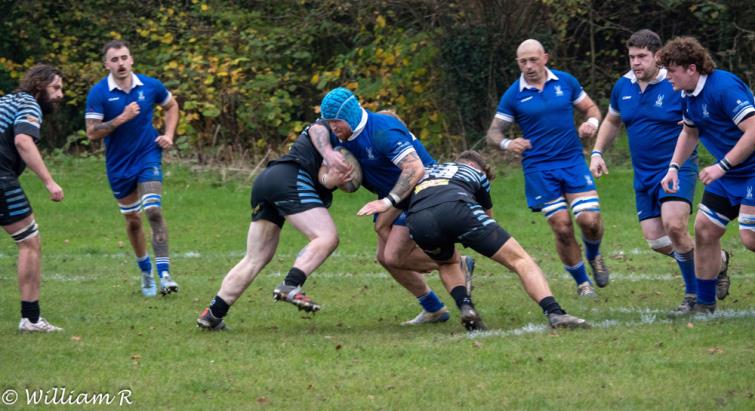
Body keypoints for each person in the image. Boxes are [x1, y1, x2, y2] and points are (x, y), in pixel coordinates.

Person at [590, 30, 730, 314]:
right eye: (631, 57)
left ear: (657, 56)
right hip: (643, 175)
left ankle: (693, 296)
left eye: (642, 56)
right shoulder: (623, 87)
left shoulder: (675, 83)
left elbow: (700, 114)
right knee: (657, 240)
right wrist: (596, 152)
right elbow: (612, 121)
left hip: (677, 169)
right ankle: (719, 260)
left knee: (675, 226)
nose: (636, 63)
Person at [316, 87, 474, 325]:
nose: (333, 127)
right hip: (392, 195)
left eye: (336, 122)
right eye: (330, 122)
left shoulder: (382, 131)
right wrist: (330, 174)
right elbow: (316, 132)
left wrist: (387, 202)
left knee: (394, 255)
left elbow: (415, 169)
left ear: (349, 116)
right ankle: (433, 308)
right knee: (385, 257)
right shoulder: (340, 135)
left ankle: (455, 262)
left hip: (419, 191)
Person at [405, 150, 589, 331]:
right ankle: (555, 312)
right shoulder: (474, 172)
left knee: (447, 263)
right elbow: (487, 217)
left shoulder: (424, 171)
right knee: (520, 259)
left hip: (418, 221)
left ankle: (466, 307)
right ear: (473, 165)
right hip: (458, 208)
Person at [196, 120, 351, 330]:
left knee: (255, 258)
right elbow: (318, 131)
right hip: (290, 179)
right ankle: (290, 284)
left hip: (267, 180)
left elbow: (325, 178)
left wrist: (334, 180)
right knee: (326, 237)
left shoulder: (331, 136)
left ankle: (213, 314)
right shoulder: (330, 129)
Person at [487, 39, 608, 297]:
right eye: (523, 62)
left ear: (545, 57)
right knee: (563, 228)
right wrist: (508, 143)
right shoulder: (514, 94)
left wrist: (592, 123)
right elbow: (493, 133)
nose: (528, 66)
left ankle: (595, 256)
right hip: (539, 169)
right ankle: (583, 284)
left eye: (533, 59)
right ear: (517, 63)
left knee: (590, 221)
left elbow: (590, 108)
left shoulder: (565, 82)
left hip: (572, 162)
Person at [658, 36, 755, 314]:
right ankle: (704, 304)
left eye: (672, 71)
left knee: (750, 237)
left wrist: (721, 166)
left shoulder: (723, 87)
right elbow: (690, 131)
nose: (668, 78)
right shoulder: (688, 95)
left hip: (749, 171)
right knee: (704, 229)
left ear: (691, 68)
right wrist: (673, 167)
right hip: (729, 173)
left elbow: (754, 130)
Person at [85, 40, 180, 297]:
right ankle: (146, 271)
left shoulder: (150, 85)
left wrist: (168, 135)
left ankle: (165, 275)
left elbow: (171, 106)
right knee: (134, 221)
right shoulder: (99, 93)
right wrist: (121, 118)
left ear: (132, 59)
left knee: (153, 209)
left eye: (124, 57)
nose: (121, 63)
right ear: (107, 64)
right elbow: (92, 133)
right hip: (118, 166)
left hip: (148, 154)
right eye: (114, 60)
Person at [1, 64, 65, 332]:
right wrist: (49, 182)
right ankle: (31, 318)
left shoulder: (6, 100)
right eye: (56, 88)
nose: (60, 94)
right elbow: (23, 142)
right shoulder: (29, 105)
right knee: (29, 242)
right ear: (40, 87)